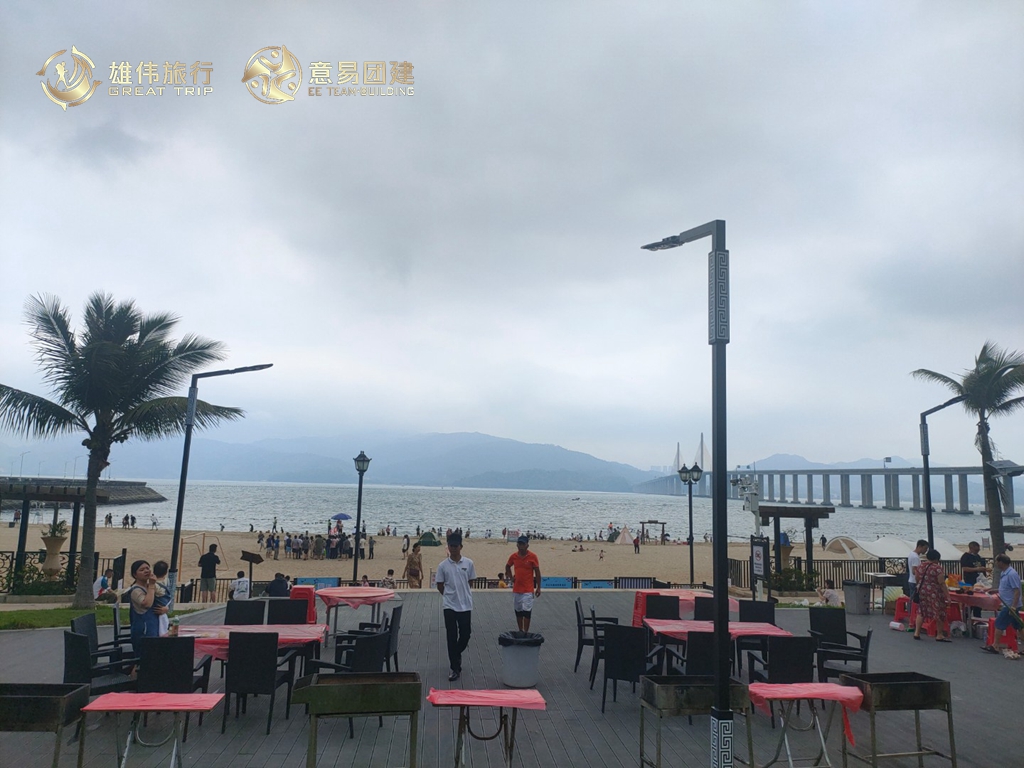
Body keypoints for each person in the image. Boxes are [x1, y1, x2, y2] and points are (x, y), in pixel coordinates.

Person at [436, 532, 475, 681]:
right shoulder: (443, 566)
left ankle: (456, 653)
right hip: (449, 606)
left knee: (466, 634)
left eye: (455, 546)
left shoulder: (468, 563)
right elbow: (440, 585)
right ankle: (455, 668)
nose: (453, 549)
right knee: (451, 636)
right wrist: (448, 596)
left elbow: (470, 581)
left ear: (461, 547)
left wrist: (463, 593)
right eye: (451, 546)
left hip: (465, 605)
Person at [983, 554, 1023, 653]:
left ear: (1001, 562)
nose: (996, 563)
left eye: (996, 561)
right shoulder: (1004, 573)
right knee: (1018, 625)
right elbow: (1006, 588)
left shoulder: (1011, 574)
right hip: (1007, 603)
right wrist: (995, 590)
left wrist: (1013, 606)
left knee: (999, 623)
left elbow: (1016, 591)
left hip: (1009, 605)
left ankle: (995, 646)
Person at [126, 560, 167, 653]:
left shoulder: (150, 587)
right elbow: (147, 604)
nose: (146, 571)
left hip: (154, 627)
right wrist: (152, 585)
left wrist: (165, 609)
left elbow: (162, 599)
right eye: (142, 570)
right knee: (146, 656)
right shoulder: (135, 590)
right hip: (143, 630)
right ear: (135, 575)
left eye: (147, 568)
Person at [505, 535, 542, 632]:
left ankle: (526, 631)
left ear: (527, 545)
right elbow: (507, 566)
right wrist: (511, 577)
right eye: (519, 544)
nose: (521, 546)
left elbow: (537, 572)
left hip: (528, 589)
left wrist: (538, 587)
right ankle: (520, 630)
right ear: (517, 545)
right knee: (518, 611)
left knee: (527, 611)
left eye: (523, 544)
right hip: (517, 589)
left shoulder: (533, 557)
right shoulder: (514, 556)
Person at [914, 549, 951, 641]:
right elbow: (941, 582)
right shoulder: (937, 568)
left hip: (922, 590)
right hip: (934, 592)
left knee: (921, 611)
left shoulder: (921, 566)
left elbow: (917, 578)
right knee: (939, 611)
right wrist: (947, 595)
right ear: (936, 558)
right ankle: (939, 634)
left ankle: (917, 632)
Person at [152, 560, 172, 636]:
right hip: (164, 605)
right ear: (166, 572)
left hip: (158, 605)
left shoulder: (154, 584)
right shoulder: (167, 580)